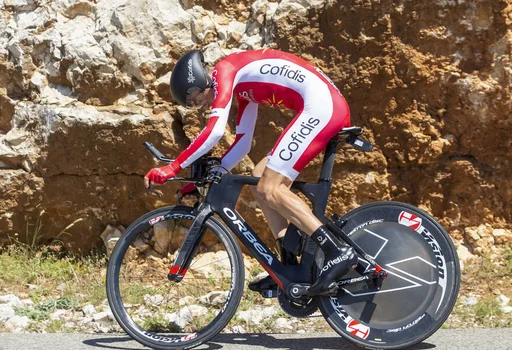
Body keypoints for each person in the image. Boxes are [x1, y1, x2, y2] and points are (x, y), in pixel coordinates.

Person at [143, 48, 358, 295]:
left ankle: (337, 251)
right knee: (259, 179)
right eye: (190, 106)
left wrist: (173, 167)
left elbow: (214, 131)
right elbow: (243, 142)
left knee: (271, 187)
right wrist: (212, 175)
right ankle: (288, 267)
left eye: (192, 97)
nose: (197, 105)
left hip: (322, 107)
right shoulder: (243, 89)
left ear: (198, 81)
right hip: (323, 105)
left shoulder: (224, 71)